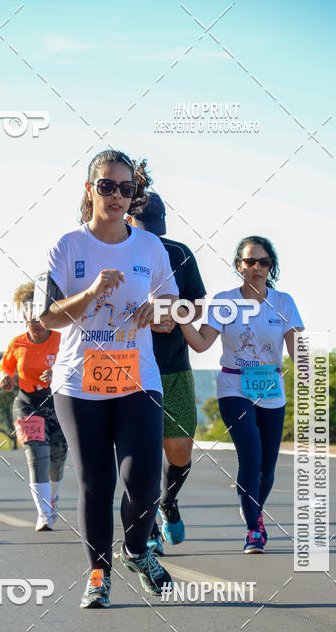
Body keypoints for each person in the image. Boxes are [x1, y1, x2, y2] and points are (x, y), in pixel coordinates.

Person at [39, 149, 178, 607]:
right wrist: (93, 291)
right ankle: (98, 574)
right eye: (107, 186)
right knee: (96, 484)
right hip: (80, 382)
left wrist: (157, 311)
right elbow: (49, 317)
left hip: (137, 378)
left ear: (133, 194)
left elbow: (171, 309)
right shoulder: (68, 246)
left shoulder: (150, 247)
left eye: (126, 188)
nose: (116, 195)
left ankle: (136, 550)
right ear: (90, 189)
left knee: (144, 481)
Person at [178, 236, 304, 553]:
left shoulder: (284, 302)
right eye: (250, 261)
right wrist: (181, 320)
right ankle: (253, 529)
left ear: (271, 266)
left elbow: (297, 350)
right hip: (234, 387)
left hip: (271, 388)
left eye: (263, 262)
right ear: (239, 266)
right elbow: (201, 344)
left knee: (267, 469)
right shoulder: (225, 302)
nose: (257, 268)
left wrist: (308, 374)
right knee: (251, 454)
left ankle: (253, 509)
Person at [127, 190, 206, 552]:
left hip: (174, 366)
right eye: (147, 228)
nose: (153, 236)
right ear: (129, 221)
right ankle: (148, 532)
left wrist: (177, 314)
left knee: (180, 449)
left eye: (158, 228)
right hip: (131, 368)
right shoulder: (116, 252)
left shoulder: (179, 252)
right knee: (141, 456)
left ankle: (168, 501)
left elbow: (198, 304)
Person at [0, 282, 67, 531]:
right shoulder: (17, 343)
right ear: (23, 317)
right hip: (27, 405)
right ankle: (43, 514)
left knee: (57, 458)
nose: (35, 322)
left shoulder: (62, 340)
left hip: (58, 403)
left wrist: (57, 373)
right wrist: (5, 377)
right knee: (37, 454)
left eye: (39, 315)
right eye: (29, 316)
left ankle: (53, 498)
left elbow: (77, 366)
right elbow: (4, 367)